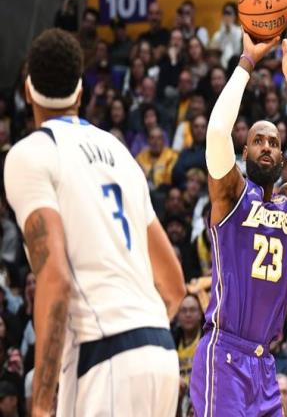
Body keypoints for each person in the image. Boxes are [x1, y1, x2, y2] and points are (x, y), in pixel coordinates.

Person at [4, 28, 186, 416]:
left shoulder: (29, 154)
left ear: (28, 90)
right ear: (80, 91)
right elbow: (174, 286)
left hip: (105, 355)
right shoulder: (120, 153)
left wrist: (41, 404)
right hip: (160, 352)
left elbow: (55, 279)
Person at [190, 18, 287, 415]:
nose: (266, 146)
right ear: (245, 152)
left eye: (273, 142)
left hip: (264, 362)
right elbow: (217, 134)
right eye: (257, 141)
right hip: (224, 353)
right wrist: (247, 62)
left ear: (282, 156)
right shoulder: (231, 193)